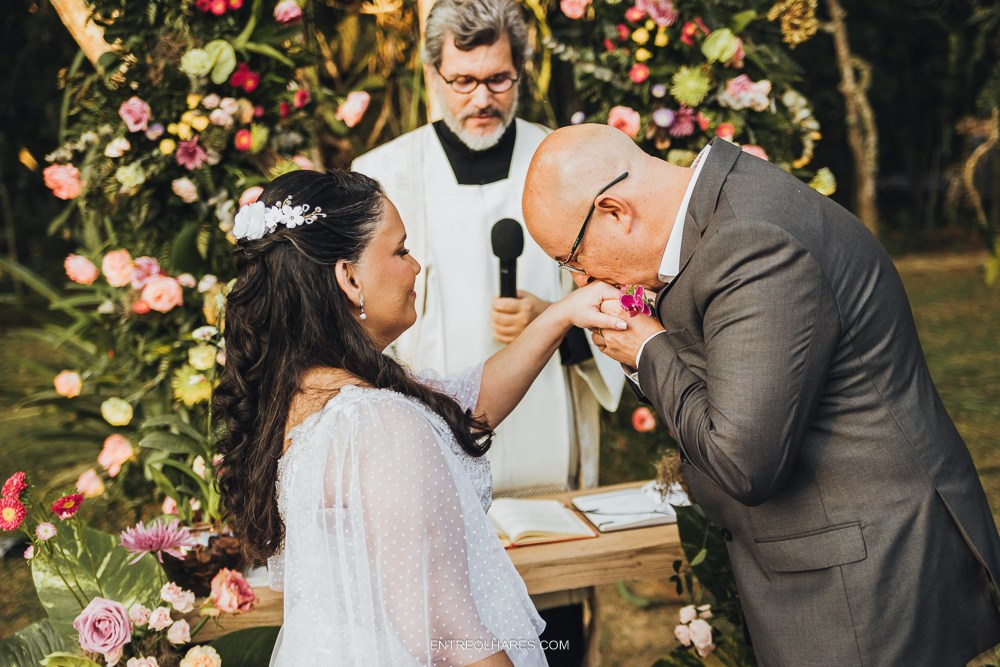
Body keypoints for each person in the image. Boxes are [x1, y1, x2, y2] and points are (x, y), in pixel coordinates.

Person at [521, 124, 1000, 666]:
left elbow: (743, 461)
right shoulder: (725, 211)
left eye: (572, 258)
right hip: (841, 561)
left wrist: (648, 350)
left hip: (867, 583)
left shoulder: (752, 242)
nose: (582, 279)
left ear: (614, 211)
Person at [213, 169, 626, 666]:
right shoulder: (376, 426)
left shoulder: (304, 394)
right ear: (349, 278)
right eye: (401, 250)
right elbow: (448, 634)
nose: (415, 267)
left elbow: (465, 405)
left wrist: (559, 315)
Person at [352, 0, 623, 499]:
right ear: (434, 74)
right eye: (463, 81)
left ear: (521, 70)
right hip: (428, 447)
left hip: (545, 439)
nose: (482, 99)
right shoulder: (383, 175)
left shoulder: (567, 162)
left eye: (498, 79)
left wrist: (555, 319)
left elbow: (616, 296)